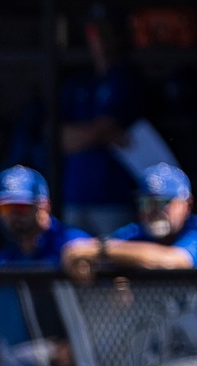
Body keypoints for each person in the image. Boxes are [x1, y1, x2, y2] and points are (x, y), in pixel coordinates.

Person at [58, 5, 147, 237]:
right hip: (77, 197)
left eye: (107, 32)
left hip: (115, 198)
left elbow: (103, 128)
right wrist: (101, 134)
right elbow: (60, 138)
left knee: (117, 268)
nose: (102, 40)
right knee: (74, 267)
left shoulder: (128, 78)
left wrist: (95, 132)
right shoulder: (80, 83)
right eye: (96, 33)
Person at [62, 163, 197, 274]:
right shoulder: (138, 232)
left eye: (163, 202)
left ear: (187, 204)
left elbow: (175, 260)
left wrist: (102, 251)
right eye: (146, 203)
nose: (153, 211)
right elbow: (77, 251)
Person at [0, 165, 91, 265]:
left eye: (21, 206)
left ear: (44, 206)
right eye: (5, 208)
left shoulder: (74, 242)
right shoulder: (5, 259)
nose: (14, 215)